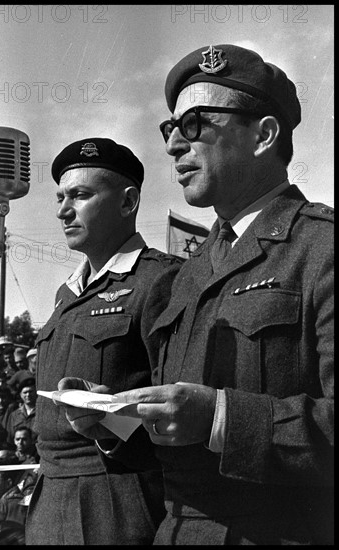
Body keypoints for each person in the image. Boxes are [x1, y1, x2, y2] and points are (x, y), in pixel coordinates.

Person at [73, 45, 334, 545]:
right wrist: (115, 424)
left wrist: (220, 415)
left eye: (194, 124)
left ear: (263, 135)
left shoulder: (321, 248)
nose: (174, 146)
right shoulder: (190, 272)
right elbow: (177, 447)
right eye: (170, 129)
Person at [25, 137, 181, 545]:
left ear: (127, 203)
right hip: (49, 499)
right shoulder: (66, 295)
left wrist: (113, 426)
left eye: (80, 195)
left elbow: (184, 402)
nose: (63, 210)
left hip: (116, 499)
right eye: (61, 197)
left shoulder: (161, 280)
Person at [6, 377, 37, 445]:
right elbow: (10, 438)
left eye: (30, 392)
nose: (28, 395)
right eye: (25, 392)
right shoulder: (14, 415)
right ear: (20, 395)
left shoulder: (42, 413)